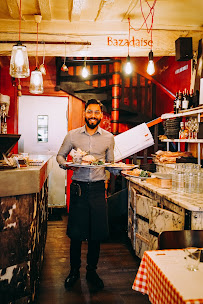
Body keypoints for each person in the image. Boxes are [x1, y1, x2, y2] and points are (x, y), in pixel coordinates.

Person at [56, 99, 115, 290]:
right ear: (85, 113)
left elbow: (110, 164)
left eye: (97, 113)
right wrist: (65, 164)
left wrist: (121, 170)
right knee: (76, 233)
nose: (93, 116)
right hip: (79, 189)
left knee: (96, 234)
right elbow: (60, 156)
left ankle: (92, 271)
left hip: (98, 188)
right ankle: (74, 271)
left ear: (101, 115)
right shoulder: (72, 136)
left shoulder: (108, 138)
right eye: (90, 112)